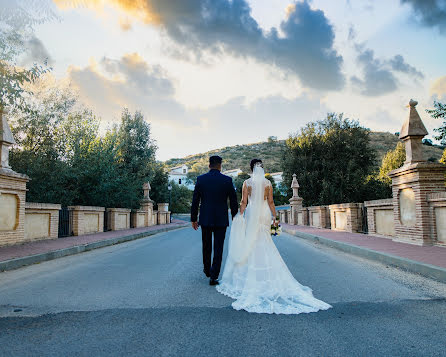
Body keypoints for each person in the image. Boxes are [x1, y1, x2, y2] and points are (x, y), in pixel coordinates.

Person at [216, 159, 332, 314]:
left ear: (251, 169)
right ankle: (268, 274)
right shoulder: (268, 184)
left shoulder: (246, 183)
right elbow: (271, 202)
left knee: (251, 241)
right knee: (265, 241)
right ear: (262, 169)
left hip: (252, 213)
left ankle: (252, 275)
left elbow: (244, 202)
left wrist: (240, 214)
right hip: (264, 213)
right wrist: (275, 218)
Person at [191, 155, 238, 285]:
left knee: (206, 245)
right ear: (220, 166)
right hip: (221, 219)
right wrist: (235, 216)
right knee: (219, 248)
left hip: (205, 218)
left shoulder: (201, 179)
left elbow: (195, 200)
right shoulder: (227, 180)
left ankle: (207, 269)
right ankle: (214, 275)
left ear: (209, 165)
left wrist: (194, 218)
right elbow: (233, 201)